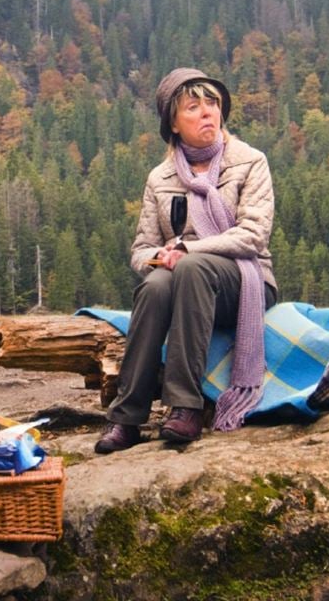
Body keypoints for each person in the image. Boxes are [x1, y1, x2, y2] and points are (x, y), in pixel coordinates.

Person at [94, 68, 277, 454]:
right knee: (156, 285)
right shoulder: (160, 177)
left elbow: (253, 235)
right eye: (193, 107)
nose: (207, 112)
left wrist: (189, 250)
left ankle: (185, 406)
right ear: (173, 124)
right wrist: (158, 257)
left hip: (244, 280)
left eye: (212, 103)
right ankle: (126, 417)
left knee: (191, 267)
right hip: (182, 282)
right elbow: (141, 248)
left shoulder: (249, 161)